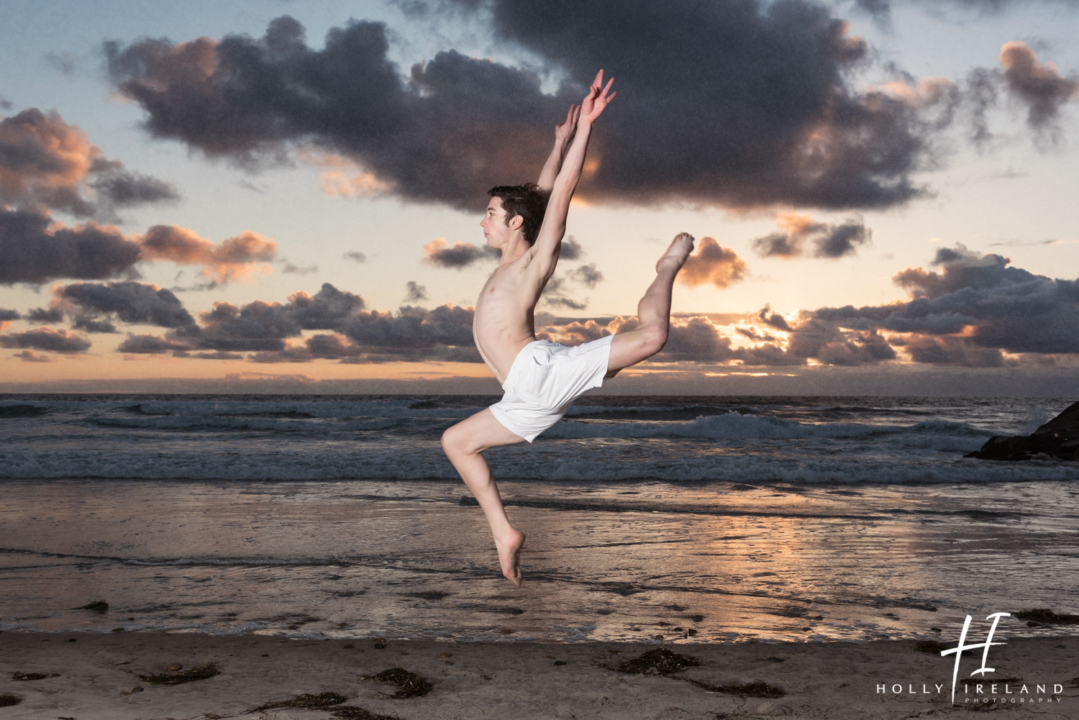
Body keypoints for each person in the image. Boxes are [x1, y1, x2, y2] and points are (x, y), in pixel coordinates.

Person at [440, 70, 696, 585]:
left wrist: (586, 131)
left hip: (539, 375)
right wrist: (557, 142)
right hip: (524, 392)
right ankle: (504, 535)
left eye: (490, 213)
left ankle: (667, 267)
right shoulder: (511, 257)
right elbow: (539, 192)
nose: (482, 221)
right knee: (456, 442)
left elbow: (559, 196)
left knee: (653, 337)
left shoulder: (534, 262)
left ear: (514, 224)